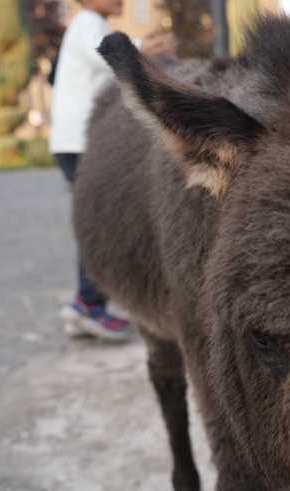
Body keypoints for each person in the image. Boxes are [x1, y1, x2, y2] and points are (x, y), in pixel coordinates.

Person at [49, 0, 177, 340]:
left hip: (74, 138)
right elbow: (105, 53)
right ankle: (87, 304)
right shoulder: (88, 21)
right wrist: (141, 49)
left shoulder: (86, 23)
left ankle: (86, 302)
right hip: (79, 139)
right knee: (100, 217)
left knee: (97, 215)